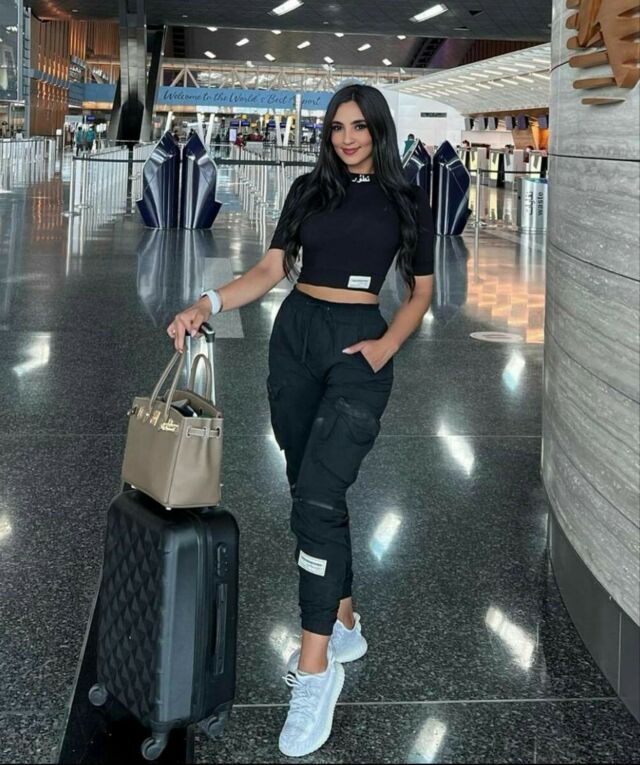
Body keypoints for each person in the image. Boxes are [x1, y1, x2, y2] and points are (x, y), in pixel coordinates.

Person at [166, 84, 434, 758]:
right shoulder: (309, 190)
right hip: (295, 340)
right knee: (309, 488)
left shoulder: (407, 198)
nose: (347, 138)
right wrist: (205, 303)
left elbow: (421, 290)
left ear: (379, 129)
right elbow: (269, 269)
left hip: (358, 348)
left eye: (359, 126)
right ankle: (344, 625)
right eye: (337, 128)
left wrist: (386, 345)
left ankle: (315, 671)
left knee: (317, 494)